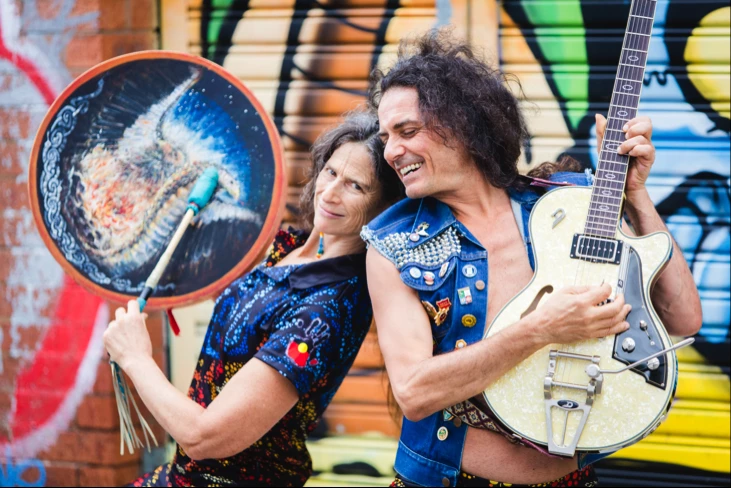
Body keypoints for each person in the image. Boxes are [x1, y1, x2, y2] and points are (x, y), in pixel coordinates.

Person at [362, 30, 703, 488]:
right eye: (386, 137)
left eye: (407, 131)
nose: (391, 151)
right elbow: (414, 391)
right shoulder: (396, 244)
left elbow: (683, 318)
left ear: (465, 124)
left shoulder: (564, 208)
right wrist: (541, 329)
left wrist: (636, 194)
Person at [104, 110, 404, 487]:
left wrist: (135, 358)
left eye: (355, 186)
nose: (329, 192)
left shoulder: (323, 313)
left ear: (383, 207)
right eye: (330, 172)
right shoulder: (292, 248)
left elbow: (204, 437)